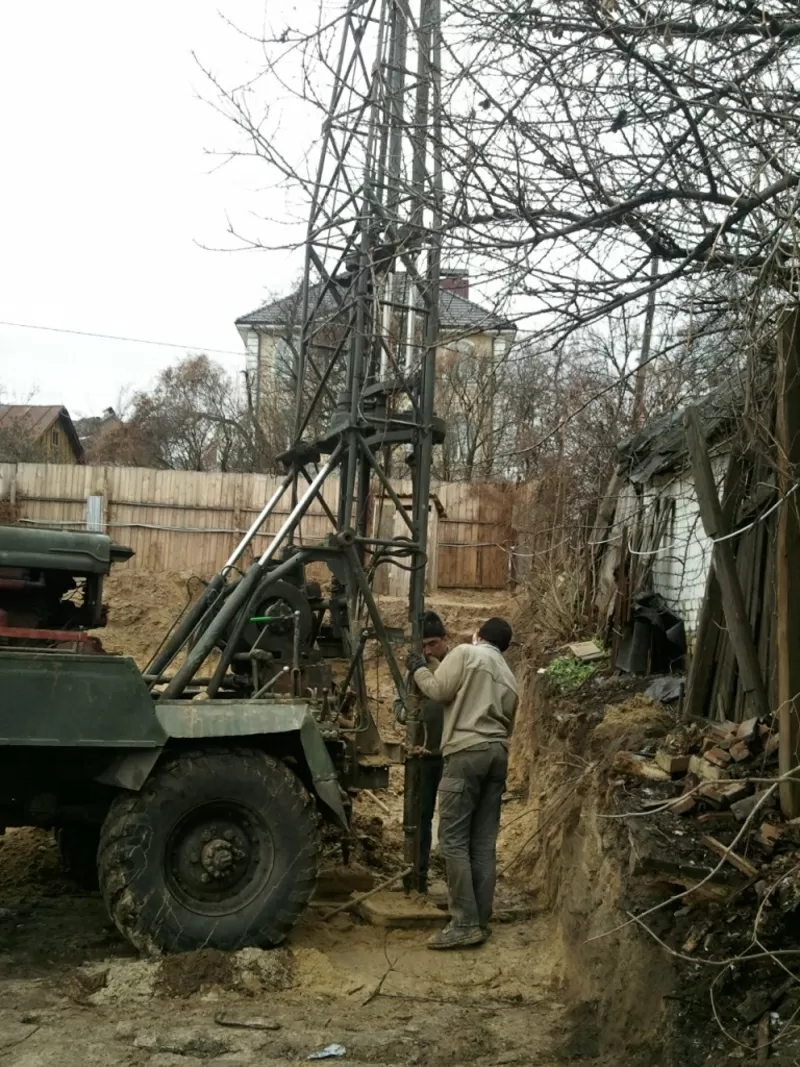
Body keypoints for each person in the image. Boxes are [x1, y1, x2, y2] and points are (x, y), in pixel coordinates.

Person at [406, 617, 518, 950]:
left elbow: (438, 690)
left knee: (453, 840)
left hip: (466, 754)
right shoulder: (510, 677)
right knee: (482, 844)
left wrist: (418, 669)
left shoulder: (467, 653)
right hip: (497, 754)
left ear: (478, 635)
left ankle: (464, 923)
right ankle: (480, 919)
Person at [394, 610, 449, 893]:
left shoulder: (454, 664)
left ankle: (454, 882)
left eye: (433, 644)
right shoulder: (413, 670)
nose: (427, 650)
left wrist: (433, 667)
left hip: (451, 754)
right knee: (420, 817)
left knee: (451, 821)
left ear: (444, 640)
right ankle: (418, 878)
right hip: (423, 755)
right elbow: (399, 705)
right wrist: (407, 713)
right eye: (423, 645)